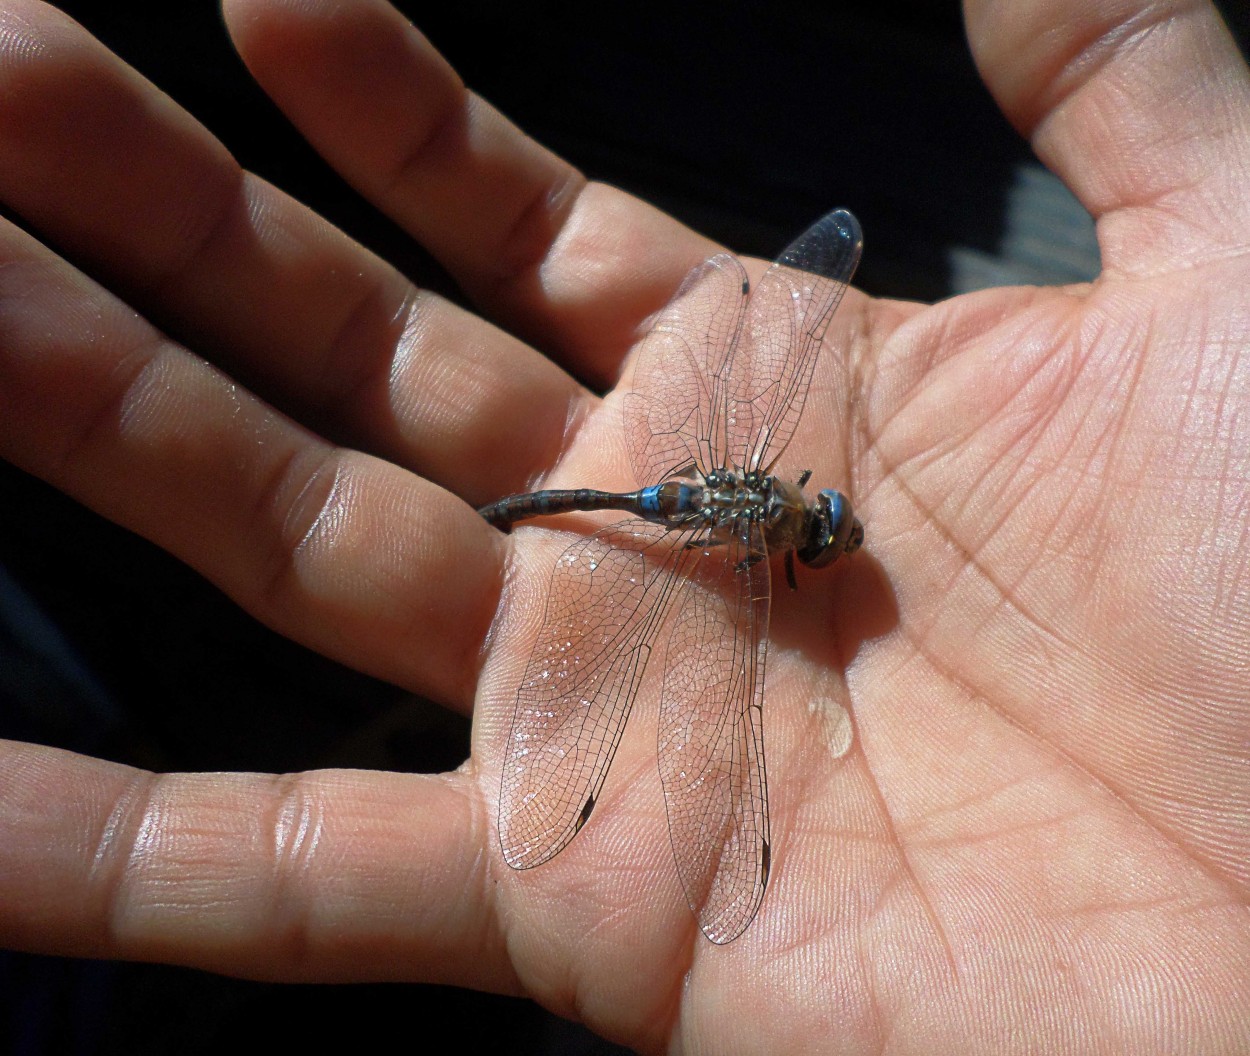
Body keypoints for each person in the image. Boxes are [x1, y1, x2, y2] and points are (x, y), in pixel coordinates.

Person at [1, 0, 1247, 1051]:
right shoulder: (764, 566)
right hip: (640, 504)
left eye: (817, 531)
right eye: (818, 532)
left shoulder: (769, 496)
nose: (820, 533)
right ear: (793, 533)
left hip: (668, 493)